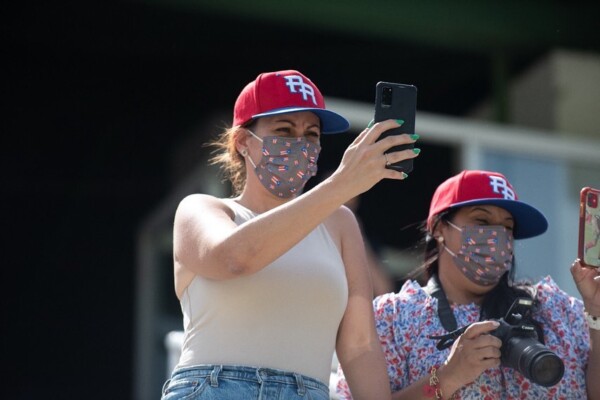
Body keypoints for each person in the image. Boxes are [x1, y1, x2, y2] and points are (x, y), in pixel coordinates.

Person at [160, 69, 421, 400]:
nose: (300, 144)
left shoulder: (339, 223)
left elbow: (359, 345)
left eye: (311, 134)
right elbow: (235, 258)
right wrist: (340, 185)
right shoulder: (202, 209)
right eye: (284, 130)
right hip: (215, 388)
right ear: (242, 142)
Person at [336, 169, 600, 399]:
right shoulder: (394, 318)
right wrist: (448, 376)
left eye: (507, 227)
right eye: (482, 221)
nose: (497, 236)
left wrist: (597, 313)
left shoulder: (555, 310)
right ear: (439, 229)